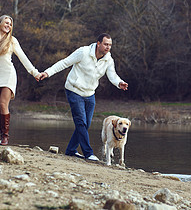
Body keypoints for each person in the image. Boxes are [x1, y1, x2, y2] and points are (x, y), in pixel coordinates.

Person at [39, 33, 128, 161]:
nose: (108, 47)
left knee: (85, 125)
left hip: (90, 93)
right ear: (98, 43)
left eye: (110, 45)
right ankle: (88, 153)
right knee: (81, 122)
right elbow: (64, 63)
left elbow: (112, 75)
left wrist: (119, 83)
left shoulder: (108, 60)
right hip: (74, 90)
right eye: (105, 44)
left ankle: (70, 150)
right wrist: (47, 72)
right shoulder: (83, 52)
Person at [0, 15, 41, 145]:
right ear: (0, 23)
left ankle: (5, 137)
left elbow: (23, 58)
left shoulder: (12, 40)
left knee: (3, 104)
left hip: (8, 74)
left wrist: (34, 72)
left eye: (10, 24)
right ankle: (2, 135)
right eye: (6, 23)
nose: (8, 25)